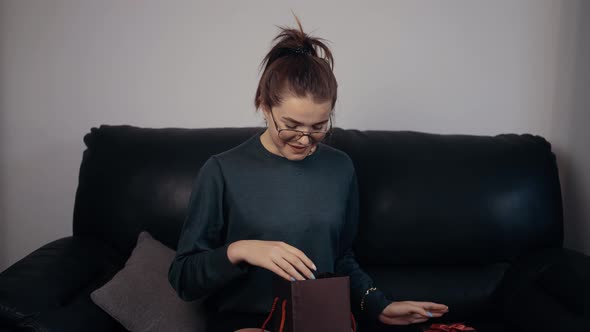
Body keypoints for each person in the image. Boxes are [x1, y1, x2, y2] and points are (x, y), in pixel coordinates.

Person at [168, 14, 449, 332]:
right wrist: (241, 249)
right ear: (263, 105)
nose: (304, 140)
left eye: (318, 127)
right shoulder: (221, 171)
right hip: (247, 322)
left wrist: (379, 306)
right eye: (291, 126)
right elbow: (184, 279)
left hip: (320, 321)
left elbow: (340, 259)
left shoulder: (340, 167)